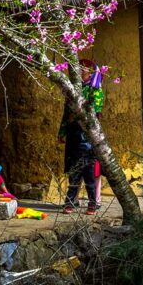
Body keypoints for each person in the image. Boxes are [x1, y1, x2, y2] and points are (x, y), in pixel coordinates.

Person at [58, 59, 104, 215]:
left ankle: (92, 203)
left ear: (89, 71)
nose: (79, 71)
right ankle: (71, 201)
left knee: (89, 171)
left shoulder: (94, 88)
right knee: (73, 170)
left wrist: (78, 117)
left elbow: (95, 109)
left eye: (82, 69)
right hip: (73, 133)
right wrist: (63, 131)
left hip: (87, 133)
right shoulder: (72, 89)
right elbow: (66, 112)